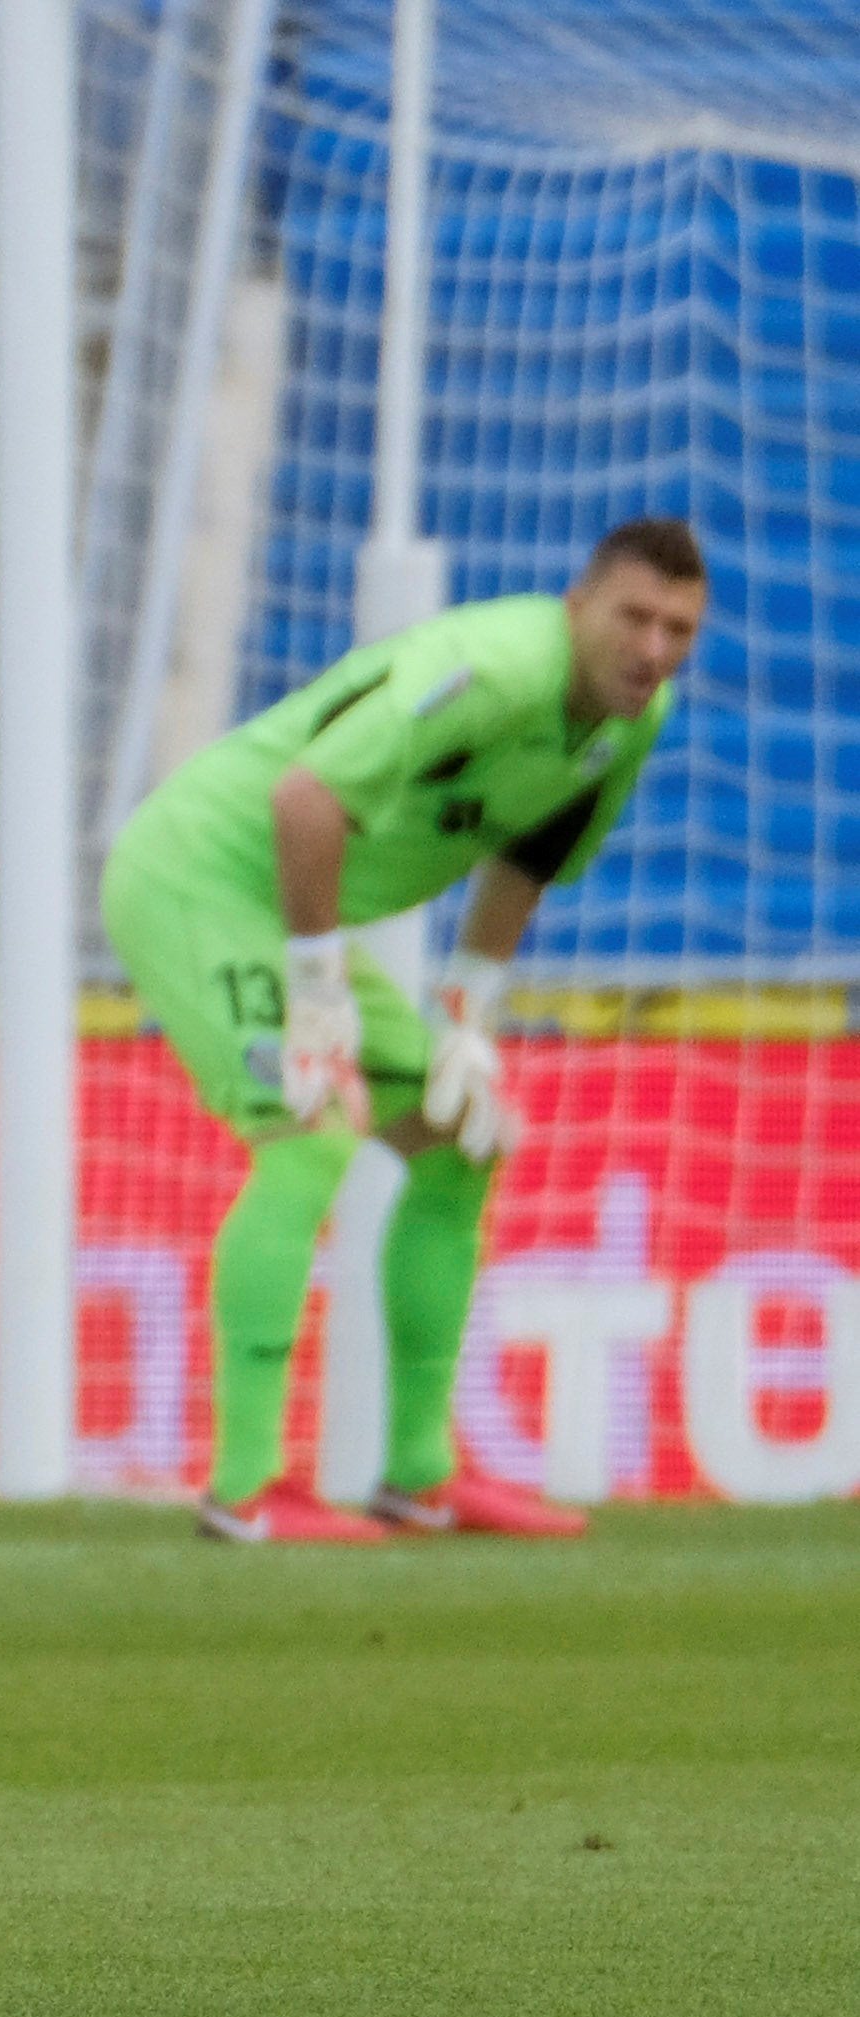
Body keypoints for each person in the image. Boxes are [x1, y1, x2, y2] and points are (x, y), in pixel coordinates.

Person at [104, 519, 708, 1543]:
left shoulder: (633, 718)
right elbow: (306, 798)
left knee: (460, 1135)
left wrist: (465, 1011)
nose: (653, 648)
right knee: (310, 1133)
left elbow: (532, 854)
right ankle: (243, 1487)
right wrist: (316, 993)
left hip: (287, 915)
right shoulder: (494, 671)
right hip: (199, 879)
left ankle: (420, 1473)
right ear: (577, 607)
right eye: (634, 617)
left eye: (678, 629)